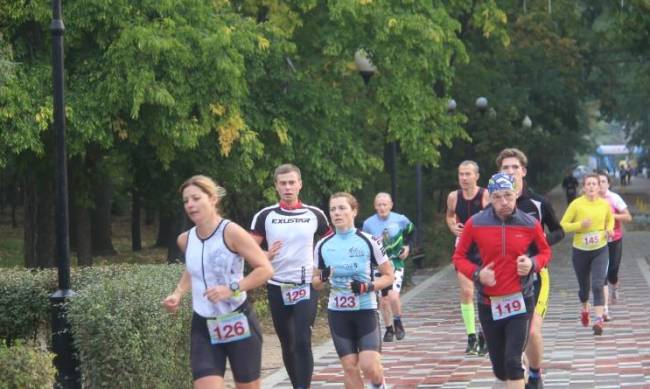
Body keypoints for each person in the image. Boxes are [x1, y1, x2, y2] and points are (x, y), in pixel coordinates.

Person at [162, 175, 273, 389]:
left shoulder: (231, 232)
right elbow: (194, 268)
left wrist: (231, 289)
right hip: (204, 324)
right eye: (186, 201)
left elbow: (265, 269)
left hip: (238, 320)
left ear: (213, 198)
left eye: (196, 198)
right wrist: (177, 293)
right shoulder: (185, 239)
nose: (191, 205)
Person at [453, 173, 552, 389]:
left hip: (520, 301)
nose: (503, 202)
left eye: (508, 195)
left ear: (516, 193)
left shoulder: (530, 223)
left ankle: (520, 375)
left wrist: (532, 264)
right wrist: (478, 274)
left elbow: (545, 253)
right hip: (489, 304)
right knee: (500, 369)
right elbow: (459, 258)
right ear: (489, 197)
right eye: (497, 197)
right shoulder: (475, 224)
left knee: (512, 362)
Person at [250, 164, 329, 389]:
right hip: (277, 286)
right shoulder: (265, 215)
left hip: (306, 285)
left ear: (300, 184)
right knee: (288, 344)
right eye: (283, 183)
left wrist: (322, 273)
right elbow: (248, 251)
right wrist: (266, 254)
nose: (287, 187)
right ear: (276, 186)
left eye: (292, 182)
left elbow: (330, 245)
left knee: (303, 340)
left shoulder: (315, 214)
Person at [496, 148, 565, 389]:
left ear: (523, 171)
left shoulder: (538, 203)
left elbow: (559, 230)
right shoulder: (492, 204)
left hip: (536, 276)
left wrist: (542, 243)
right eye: (506, 168)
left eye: (515, 167)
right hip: (503, 280)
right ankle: (519, 373)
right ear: (499, 171)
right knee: (512, 334)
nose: (511, 172)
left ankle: (535, 374)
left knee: (532, 331)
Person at [313, 192, 395, 389]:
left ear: (354, 212)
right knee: (350, 367)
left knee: (369, 366)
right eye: (333, 209)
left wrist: (368, 286)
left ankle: (379, 383)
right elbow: (315, 282)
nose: (337, 213)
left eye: (342, 208)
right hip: (338, 313)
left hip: (365, 309)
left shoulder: (369, 241)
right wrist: (322, 277)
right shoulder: (323, 245)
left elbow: (389, 276)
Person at [560, 173, 614, 336]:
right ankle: (585, 308)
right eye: (588, 184)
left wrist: (609, 229)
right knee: (584, 289)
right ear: (583, 188)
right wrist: (580, 224)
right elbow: (563, 225)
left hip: (600, 249)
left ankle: (598, 321)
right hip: (580, 251)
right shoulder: (576, 204)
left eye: (594, 184)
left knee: (598, 285)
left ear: (599, 187)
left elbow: (610, 220)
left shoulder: (604, 205)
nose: (591, 187)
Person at [445, 160, 490, 355]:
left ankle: (484, 333)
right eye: (461, 174)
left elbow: (495, 217)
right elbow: (449, 216)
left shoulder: (486, 195)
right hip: (463, 249)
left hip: (483, 249)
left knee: (486, 293)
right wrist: (453, 227)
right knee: (466, 291)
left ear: (476, 176)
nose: (463, 178)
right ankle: (471, 336)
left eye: (468, 174)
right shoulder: (453, 197)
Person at [362, 192, 414, 342]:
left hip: (396, 263)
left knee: (393, 296)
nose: (382, 207)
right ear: (375, 206)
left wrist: (407, 247)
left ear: (391, 205)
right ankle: (389, 329)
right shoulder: (368, 224)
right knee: (384, 300)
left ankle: (398, 321)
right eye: (379, 205)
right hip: (379, 267)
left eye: (385, 204)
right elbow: (365, 245)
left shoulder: (401, 219)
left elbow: (412, 232)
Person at [596, 170, 632, 320]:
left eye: (603, 182)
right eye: (598, 182)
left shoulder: (614, 198)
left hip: (615, 239)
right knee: (602, 274)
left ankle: (615, 287)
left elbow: (628, 217)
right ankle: (604, 310)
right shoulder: (592, 199)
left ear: (608, 183)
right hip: (599, 241)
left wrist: (613, 216)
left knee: (612, 271)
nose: (601, 185)